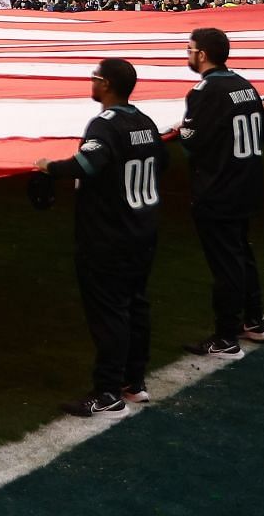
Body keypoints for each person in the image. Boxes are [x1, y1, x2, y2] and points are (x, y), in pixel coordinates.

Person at [34, 57, 166, 416]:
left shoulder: (106, 124)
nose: (91, 83)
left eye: (94, 78)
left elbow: (88, 164)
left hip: (110, 233)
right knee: (136, 306)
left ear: (105, 84)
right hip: (143, 228)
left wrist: (50, 167)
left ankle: (107, 391)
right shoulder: (146, 122)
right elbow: (161, 164)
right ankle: (133, 382)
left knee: (109, 312)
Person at [175, 26, 264, 360]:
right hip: (246, 182)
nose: (187, 55)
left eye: (189, 49)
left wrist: (182, 133)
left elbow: (191, 141)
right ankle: (254, 320)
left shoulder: (206, 91)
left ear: (202, 54)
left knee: (226, 263)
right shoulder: (245, 86)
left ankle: (226, 336)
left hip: (218, 188)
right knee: (242, 253)